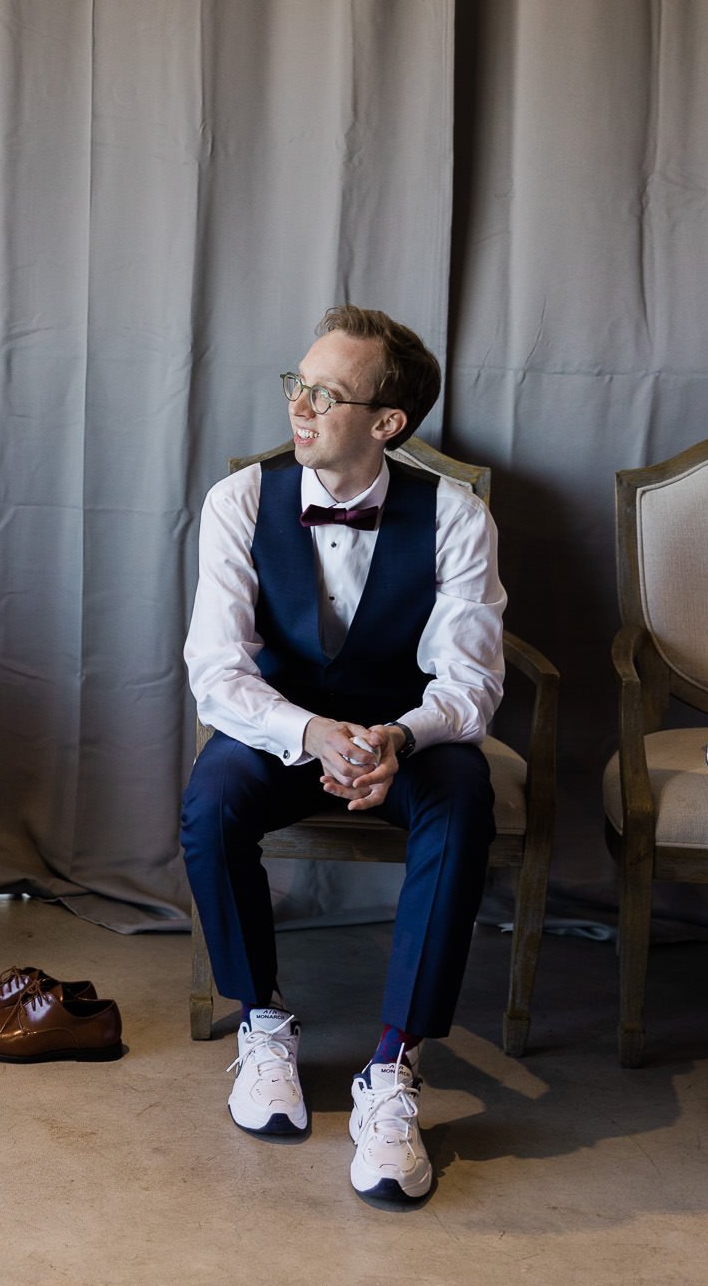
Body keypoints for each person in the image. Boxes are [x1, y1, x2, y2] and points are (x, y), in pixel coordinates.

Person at [179, 304, 505, 1206]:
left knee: (464, 799)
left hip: (407, 734)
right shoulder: (239, 499)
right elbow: (215, 671)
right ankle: (263, 1023)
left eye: (326, 393)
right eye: (298, 383)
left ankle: (394, 1068)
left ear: (387, 423)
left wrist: (397, 737)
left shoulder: (457, 516)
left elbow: (472, 682)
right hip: (282, 728)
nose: (300, 406)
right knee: (211, 802)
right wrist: (310, 733)